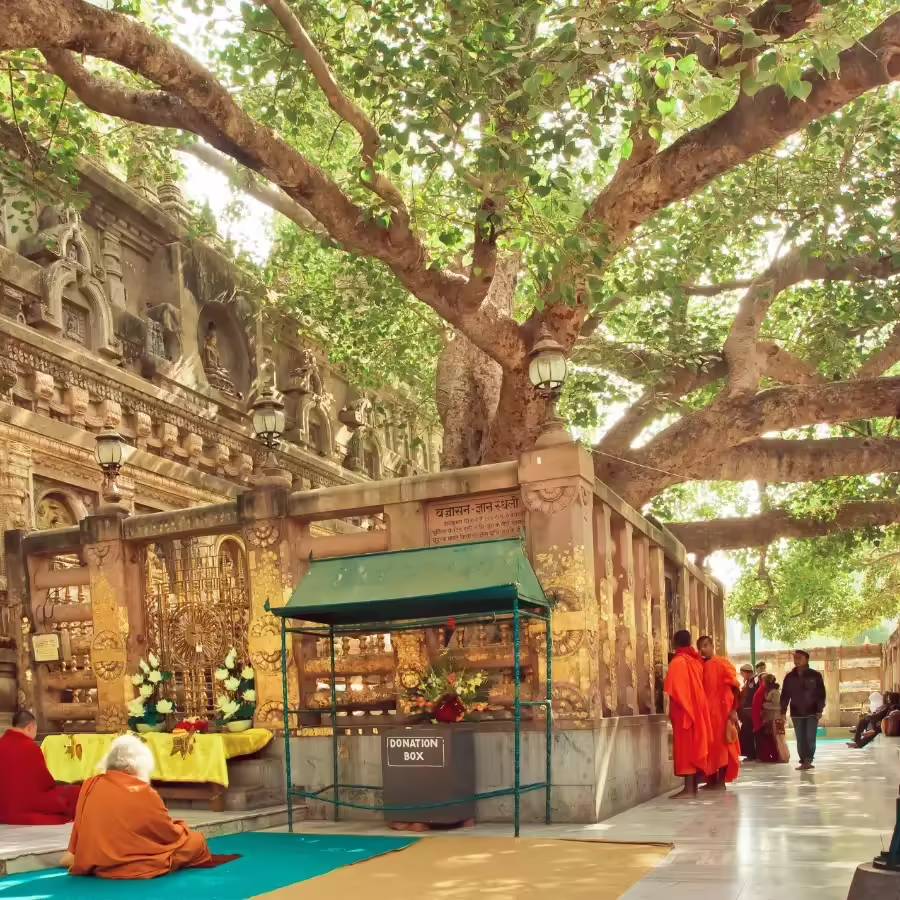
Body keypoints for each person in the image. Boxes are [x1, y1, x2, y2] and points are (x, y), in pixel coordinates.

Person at [62, 734, 212, 879]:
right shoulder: (143, 791)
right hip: (134, 861)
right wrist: (182, 828)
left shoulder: (91, 784)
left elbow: (79, 827)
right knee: (196, 841)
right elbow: (168, 834)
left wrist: (75, 852)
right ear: (135, 764)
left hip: (96, 858)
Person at [0, 710, 80, 825]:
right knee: (73, 794)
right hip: (25, 805)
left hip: (2, 807)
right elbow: (45, 783)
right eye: (35, 730)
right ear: (30, 727)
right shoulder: (30, 747)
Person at [664, 630, 712, 799]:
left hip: (685, 713)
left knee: (686, 751)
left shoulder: (679, 662)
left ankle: (689, 789)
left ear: (675, 643)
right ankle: (692, 788)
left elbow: (676, 690)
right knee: (692, 749)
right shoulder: (694, 661)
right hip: (696, 711)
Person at [697, 636, 741, 789]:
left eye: (705, 645)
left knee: (723, 747)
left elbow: (736, 688)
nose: (703, 649)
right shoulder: (699, 666)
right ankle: (710, 781)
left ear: (712, 646)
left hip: (722, 713)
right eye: (700, 647)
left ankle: (721, 782)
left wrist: (734, 710)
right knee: (708, 747)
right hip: (707, 714)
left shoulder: (722, 663)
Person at [781, 649, 826, 770]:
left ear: (806, 659)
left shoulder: (815, 675)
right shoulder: (789, 677)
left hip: (812, 712)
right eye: (795, 658)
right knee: (800, 738)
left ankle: (808, 760)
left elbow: (821, 694)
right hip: (796, 712)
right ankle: (803, 760)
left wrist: (819, 710)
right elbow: (785, 695)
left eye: (799, 658)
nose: (796, 660)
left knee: (810, 737)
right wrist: (782, 712)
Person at [753, 674, 789, 763]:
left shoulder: (775, 692)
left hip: (777, 719)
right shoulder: (770, 691)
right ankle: (781, 757)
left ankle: (784, 757)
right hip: (772, 719)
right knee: (776, 739)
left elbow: (778, 706)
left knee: (780, 739)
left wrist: (764, 706)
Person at [738, 663, 758, 761]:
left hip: (750, 712)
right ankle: (750, 754)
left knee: (748, 733)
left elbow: (751, 697)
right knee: (746, 733)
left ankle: (751, 754)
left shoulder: (752, 682)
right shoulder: (749, 682)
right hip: (747, 712)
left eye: (742, 673)